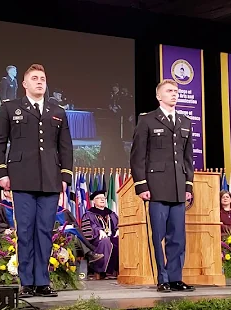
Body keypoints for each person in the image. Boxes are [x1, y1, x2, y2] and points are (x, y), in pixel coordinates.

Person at [0, 64, 73, 298]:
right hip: (21, 178)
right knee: (25, 231)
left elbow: (65, 147)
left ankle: (42, 281)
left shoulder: (58, 111)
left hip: (49, 179)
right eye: (34, 78)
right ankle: (27, 282)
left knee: (45, 231)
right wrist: (1, 173)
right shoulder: (11, 108)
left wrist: (65, 176)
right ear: (24, 84)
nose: (39, 82)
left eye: (43, 79)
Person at [130, 79, 195, 293]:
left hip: (178, 187)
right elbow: (138, 156)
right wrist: (141, 185)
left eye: (176, 91)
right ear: (159, 96)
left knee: (177, 237)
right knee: (157, 236)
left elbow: (187, 159)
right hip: (156, 187)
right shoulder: (147, 120)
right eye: (169, 91)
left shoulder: (185, 121)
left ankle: (176, 277)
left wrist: (188, 186)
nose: (174, 94)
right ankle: (162, 278)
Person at [81, 191, 119, 279]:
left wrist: (118, 229)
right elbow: (88, 228)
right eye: (99, 198)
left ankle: (120, 271)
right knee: (105, 241)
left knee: (120, 241)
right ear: (94, 201)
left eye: (104, 198)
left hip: (112, 237)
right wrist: (98, 231)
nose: (102, 199)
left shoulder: (112, 214)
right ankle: (103, 271)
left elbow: (118, 224)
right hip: (96, 240)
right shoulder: (88, 214)